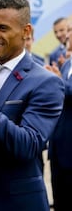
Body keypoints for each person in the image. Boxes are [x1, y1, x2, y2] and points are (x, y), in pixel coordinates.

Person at [0, 0, 64, 211]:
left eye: (2, 28)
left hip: (16, 202)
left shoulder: (46, 82)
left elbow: (28, 145)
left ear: (26, 31)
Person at [46, 21, 72, 211]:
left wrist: (58, 81)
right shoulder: (67, 63)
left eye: (70, 30)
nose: (67, 35)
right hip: (58, 147)